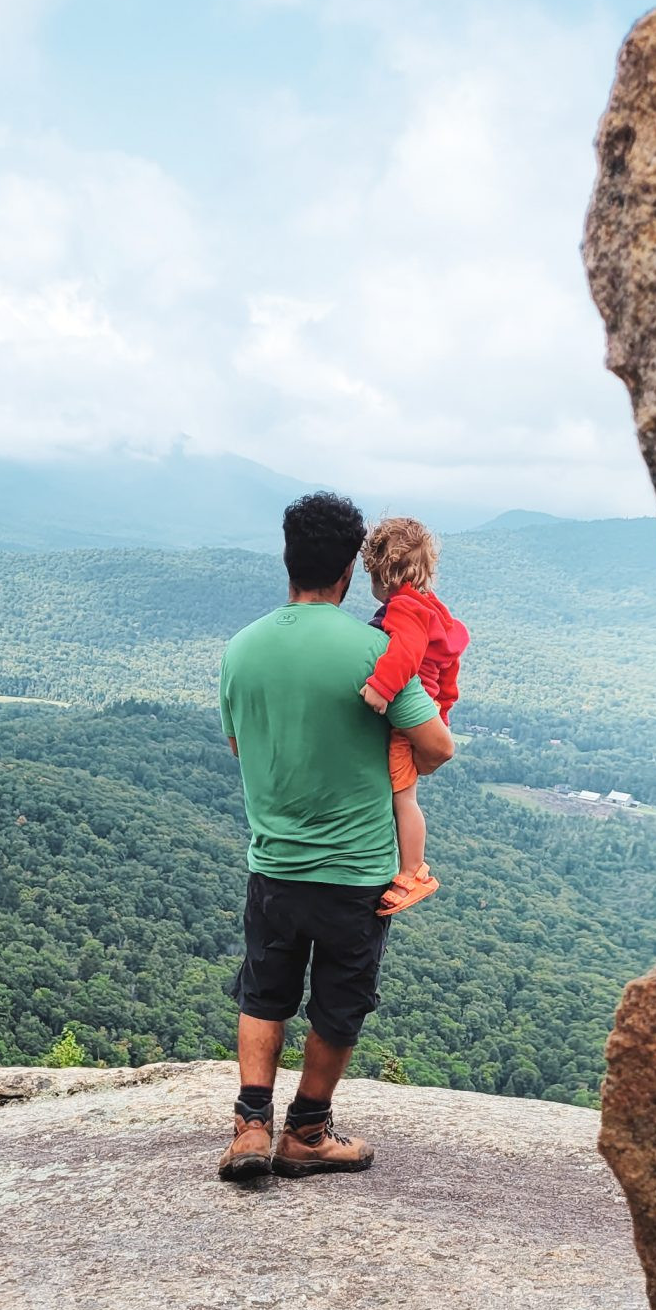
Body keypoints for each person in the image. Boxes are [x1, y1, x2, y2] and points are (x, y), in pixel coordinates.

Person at [216, 491, 455, 1185]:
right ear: (350, 571)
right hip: (356, 873)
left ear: (287, 561)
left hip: (275, 864)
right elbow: (437, 746)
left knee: (264, 989)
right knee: (339, 1002)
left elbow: (241, 746)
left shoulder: (241, 650)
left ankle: (251, 1126)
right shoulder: (375, 652)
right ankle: (308, 1134)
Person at [357, 515, 470, 916]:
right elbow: (448, 673)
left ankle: (412, 872)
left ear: (383, 576)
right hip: (424, 713)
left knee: (403, 797)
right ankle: (411, 868)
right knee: (406, 795)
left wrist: (382, 688)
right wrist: (441, 712)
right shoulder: (433, 610)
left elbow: (405, 651)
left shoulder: (403, 609)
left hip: (405, 721)